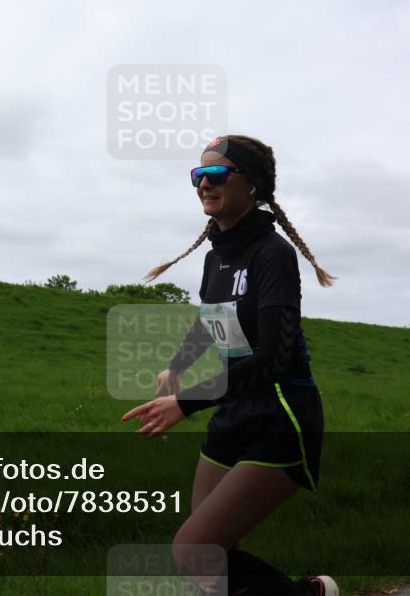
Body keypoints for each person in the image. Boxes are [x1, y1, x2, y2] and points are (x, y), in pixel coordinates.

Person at [121, 135, 339, 596]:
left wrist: (187, 401)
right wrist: (177, 366)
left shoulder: (272, 253)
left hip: (280, 415)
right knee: (211, 559)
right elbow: (211, 321)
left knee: (192, 549)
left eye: (216, 174)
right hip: (232, 412)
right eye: (197, 176)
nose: (204, 184)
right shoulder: (215, 257)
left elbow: (273, 358)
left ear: (252, 184)